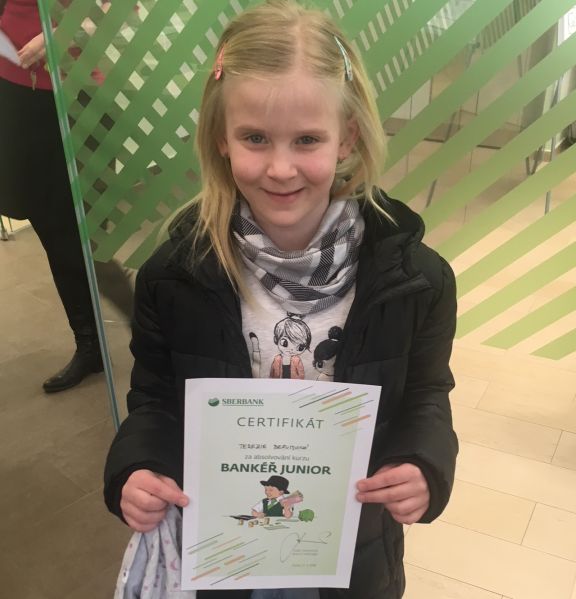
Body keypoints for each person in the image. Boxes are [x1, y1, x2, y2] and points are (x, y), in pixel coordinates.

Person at [103, 1, 458, 598]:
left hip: (350, 549)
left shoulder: (416, 281)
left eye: (307, 139)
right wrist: (136, 468)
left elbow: (426, 393)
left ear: (347, 136)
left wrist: (423, 463)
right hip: (225, 546)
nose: (281, 168)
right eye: (255, 138)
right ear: (221, 138)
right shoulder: (175, 277)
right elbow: (155, 398)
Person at [0, 0, 103, 392]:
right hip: (13, 92)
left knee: (81, 230)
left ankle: (128, 322)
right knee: (48, 223)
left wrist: (61, 34)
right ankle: (89, 343)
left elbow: (118, 10)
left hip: (73, 92)